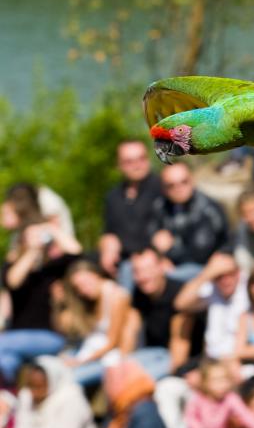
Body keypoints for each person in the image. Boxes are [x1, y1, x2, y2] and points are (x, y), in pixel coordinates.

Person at [0, 194, 81, 385]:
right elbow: (13, 281)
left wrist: (51, 229)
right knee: (6, 362)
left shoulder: (51, 270)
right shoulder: (13, 266)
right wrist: (32, 250)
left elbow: (77, 252)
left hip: (49, 337)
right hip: (16, 337)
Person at [51, 259, 130, 386]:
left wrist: (80, 362)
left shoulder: (117, 296)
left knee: (67, 380)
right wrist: (59, 304)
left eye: (85, 283)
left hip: (107, 359)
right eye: (78, 287)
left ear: (96, 274)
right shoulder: (88, 302)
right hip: (88, 353)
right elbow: (64, 329)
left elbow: (112, 342)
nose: (83, 290)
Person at [123, 247, 195, 380]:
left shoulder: (180, 295)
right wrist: (122, 364)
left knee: (136, 380)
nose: (143, 277)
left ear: (162, 267)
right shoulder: (139, 292)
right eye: (137, 271)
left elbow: (180, 345)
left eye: (148, 269)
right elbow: (130, 330)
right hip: (153, 353)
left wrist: (173, 377)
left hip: (181, 359)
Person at [149, 163, 229, 282]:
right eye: (171, 185)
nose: (178, 188)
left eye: (184, 181)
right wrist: (159, 255)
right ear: (164, 188)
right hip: (170, 266)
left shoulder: (209, 209)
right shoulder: (159, 207)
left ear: (192, 180)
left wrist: (168, 254)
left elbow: (201, 252)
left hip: (203, 269)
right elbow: (149, 236)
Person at [98, 139, 162, 282]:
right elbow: (109, 231)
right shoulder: (113, 196)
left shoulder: (165, 188)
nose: (137, 165)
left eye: (141, 158)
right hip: (121, 261)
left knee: (128, 271)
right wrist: (107, 243)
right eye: (129, 161)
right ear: (119, 165)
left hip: (153, 260)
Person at [175, 252, 249, 361]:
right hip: (211, 360)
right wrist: (208, 273)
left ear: (238, 273)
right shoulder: (212, 289)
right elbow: (181, 304)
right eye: (219, 276)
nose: (226, 280)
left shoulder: (249, 288)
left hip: (237, 359)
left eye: (230, 274)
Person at [184, 358, 254, 428]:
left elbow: (246, 415)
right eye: (216, 380)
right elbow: (190, 418)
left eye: (225, 380)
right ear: (205, 382)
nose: (222, 384)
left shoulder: (230, 398)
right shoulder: (198, 398)